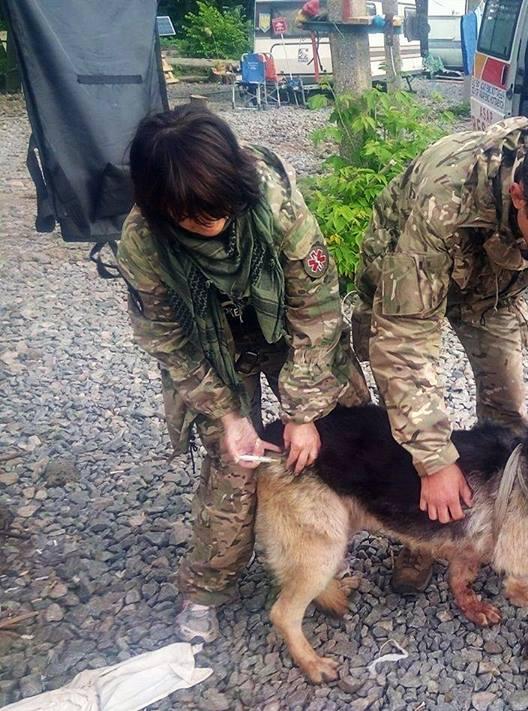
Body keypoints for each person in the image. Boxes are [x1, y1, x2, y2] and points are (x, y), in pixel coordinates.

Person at [117, 105, 369, 643]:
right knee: (235, 465)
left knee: (343, 432)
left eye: (221, 209)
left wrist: (301, 412)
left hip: (291, 332)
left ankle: (320, 552)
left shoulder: (270, 199)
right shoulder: (142, 242)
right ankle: (207, 588)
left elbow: (317, 308)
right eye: (193, 216)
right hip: (213, 351)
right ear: (158, 205)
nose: (213, 223)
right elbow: (169, 341)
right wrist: (228, 414)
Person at [352, 117, 528, 594]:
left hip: (492, 294)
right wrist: (435, 460)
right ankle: (421, 538)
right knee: (407, 423)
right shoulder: (445, 198)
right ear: (520, 197)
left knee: (509, 418)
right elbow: (404, 342)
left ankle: (500, 526)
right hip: (406, 286)